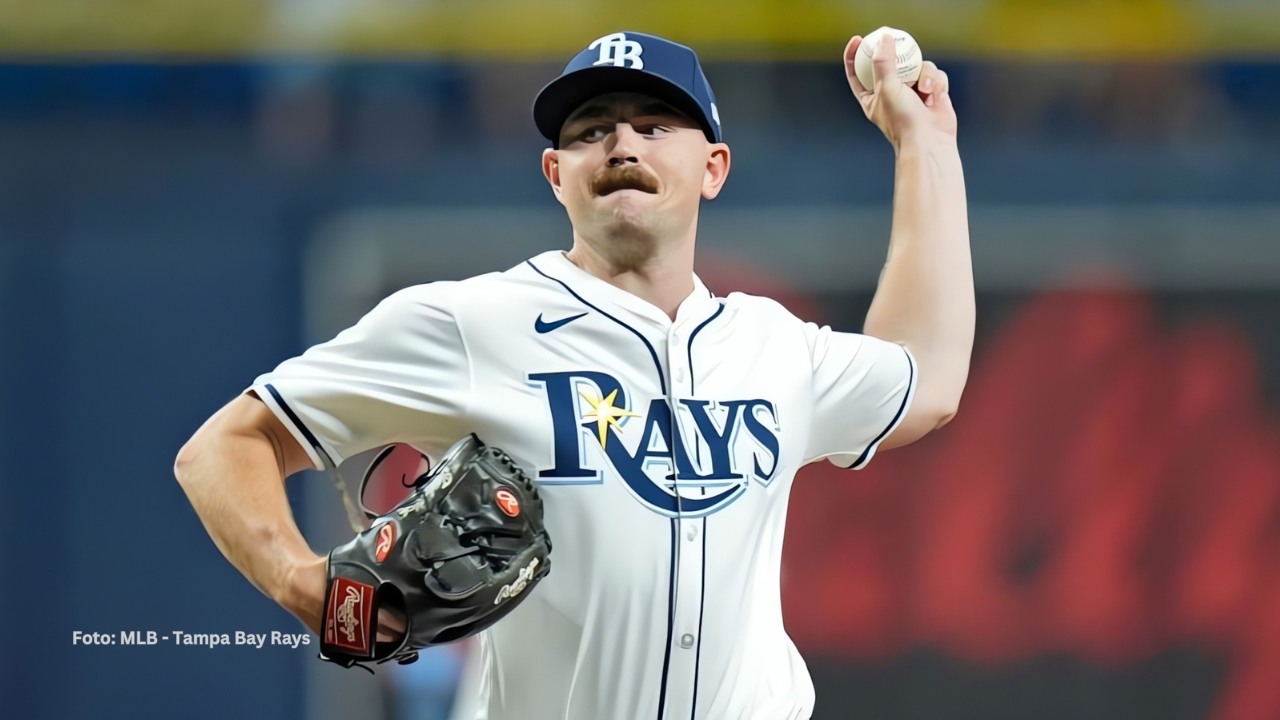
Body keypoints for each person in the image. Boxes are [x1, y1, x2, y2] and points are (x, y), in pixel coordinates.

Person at [174, 29, 973, 720]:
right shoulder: (474, 323)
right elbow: (224, 445)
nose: (623, 144)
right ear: (557, 175)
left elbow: (925, 379)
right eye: (591, 130)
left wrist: (927, 147)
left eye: (655, 125)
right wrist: (309, 586)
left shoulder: (774, 347)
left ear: (715, 168)